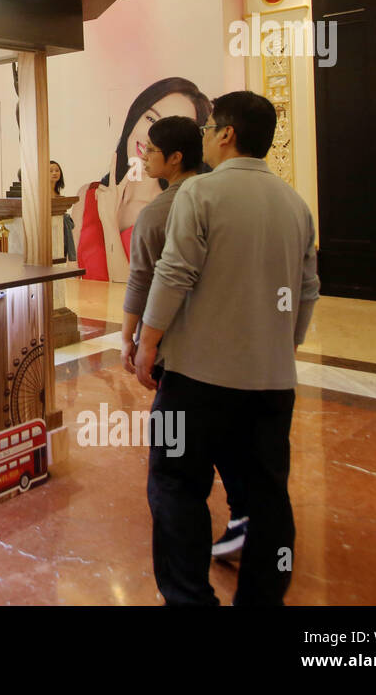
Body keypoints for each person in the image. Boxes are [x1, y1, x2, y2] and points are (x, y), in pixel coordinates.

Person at [135, 92, 318, 606]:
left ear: (227, 134)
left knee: (173, 484)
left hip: (194, 381)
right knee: (266, 499)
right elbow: (307, 290)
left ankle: (190, 598)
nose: (207, 136)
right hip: (271, 385)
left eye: (210, 125)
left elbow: (173, 273)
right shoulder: (295, 203)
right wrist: (285, 345)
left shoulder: (201, 194)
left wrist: (147, 341)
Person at [119, 117, 247, 561]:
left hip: (181, 354)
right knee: (232, 442)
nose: (145, 156)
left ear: (174, 157)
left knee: (174, 468)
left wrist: (132, 339)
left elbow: (146, 281)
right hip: (237, 349)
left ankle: (185, 574)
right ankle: (244, 520)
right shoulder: (234, 200)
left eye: (151, 150)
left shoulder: (159, 212)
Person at [70, 78, 212, 282]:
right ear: (135, 116)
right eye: (151, 120)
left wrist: (109, 222)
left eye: (169, 131)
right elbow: (70, 280)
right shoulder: (88, 195)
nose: (150, 137)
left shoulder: (173, 210)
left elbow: (132, 291)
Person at [49, 159, 75, 262]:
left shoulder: (57, 192)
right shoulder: (42, 191)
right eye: (50, 171)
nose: (55, 173)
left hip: (59, 227)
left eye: (57, 170)